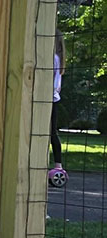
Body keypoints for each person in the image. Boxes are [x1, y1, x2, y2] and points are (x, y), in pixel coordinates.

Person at [49, 27, 68, 186]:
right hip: (54, 98)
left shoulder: (53, 58)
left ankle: (58, 165)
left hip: (49, 98)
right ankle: (58, 165)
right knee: (52, 132)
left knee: (50, 132)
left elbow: (53, 82)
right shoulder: (59, 59)